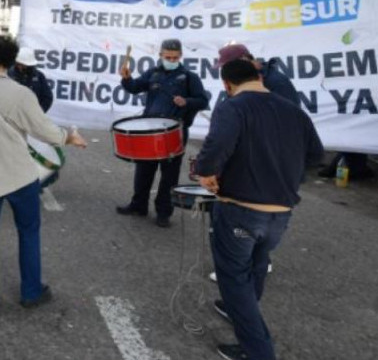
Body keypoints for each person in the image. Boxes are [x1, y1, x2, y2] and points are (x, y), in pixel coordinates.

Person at [195, 59, 324, 360]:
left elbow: (216, 147)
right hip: (280, 213)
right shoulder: (294, 111)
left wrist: (206, 172)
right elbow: (316, 155)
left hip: (241, 210)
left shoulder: (233, 107)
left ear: (227, 85)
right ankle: (240, 310)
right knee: (257, 263)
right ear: (259, 77)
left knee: (234, 278)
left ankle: (257, 352)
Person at [0, 36, 87, 312]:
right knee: (28, 233)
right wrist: (70, 137)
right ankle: (30, 292)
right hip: (19, 176)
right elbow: (46, 132)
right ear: (12, 62)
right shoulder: (21, 93)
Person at [117, 38, 210, 227]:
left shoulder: (189, 77)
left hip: (175, 133)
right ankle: (138, 205)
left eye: (175, 57)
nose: (171, 60)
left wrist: (187, 102)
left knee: (169, 176)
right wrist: (126, 78)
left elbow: (202, 100)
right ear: (160, 55)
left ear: (180, 56)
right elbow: (135, 88)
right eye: (168, 57)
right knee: (143, 171)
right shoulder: (153, 73)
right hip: (150, 131)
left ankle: (163, 213)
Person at [217, 44, 298, 106]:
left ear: (244, 59)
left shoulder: (276, 81)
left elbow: (291, 117)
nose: (227, 70)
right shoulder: (236, 82)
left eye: (229, 66)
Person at [8, 48, 53, 113]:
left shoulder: (39, 76)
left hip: (32, 115)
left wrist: (39, 113)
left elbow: (47, 97)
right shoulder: (9, 74)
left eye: (23, 65)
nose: (20, 67)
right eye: (19, 64)